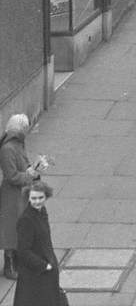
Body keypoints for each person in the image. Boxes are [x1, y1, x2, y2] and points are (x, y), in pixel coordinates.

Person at [0, 118, 47, 281]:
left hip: (20, 194)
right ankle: (10, 265)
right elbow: (11, 176)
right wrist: (29, 175)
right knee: (11, 230)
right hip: (11, 197)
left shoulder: (18, 145)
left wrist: (35, 168)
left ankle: (19, 261)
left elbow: (25, 165)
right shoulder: (7, 149)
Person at [13, 180, 59, 305]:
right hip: (34, 275)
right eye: (33, 198)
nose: (37, 201)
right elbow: (23, 251)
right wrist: (44, 265)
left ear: (46, 197)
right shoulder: (26, 220)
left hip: (45, 269)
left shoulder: (42, 212)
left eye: (40, 197)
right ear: (28, 198)